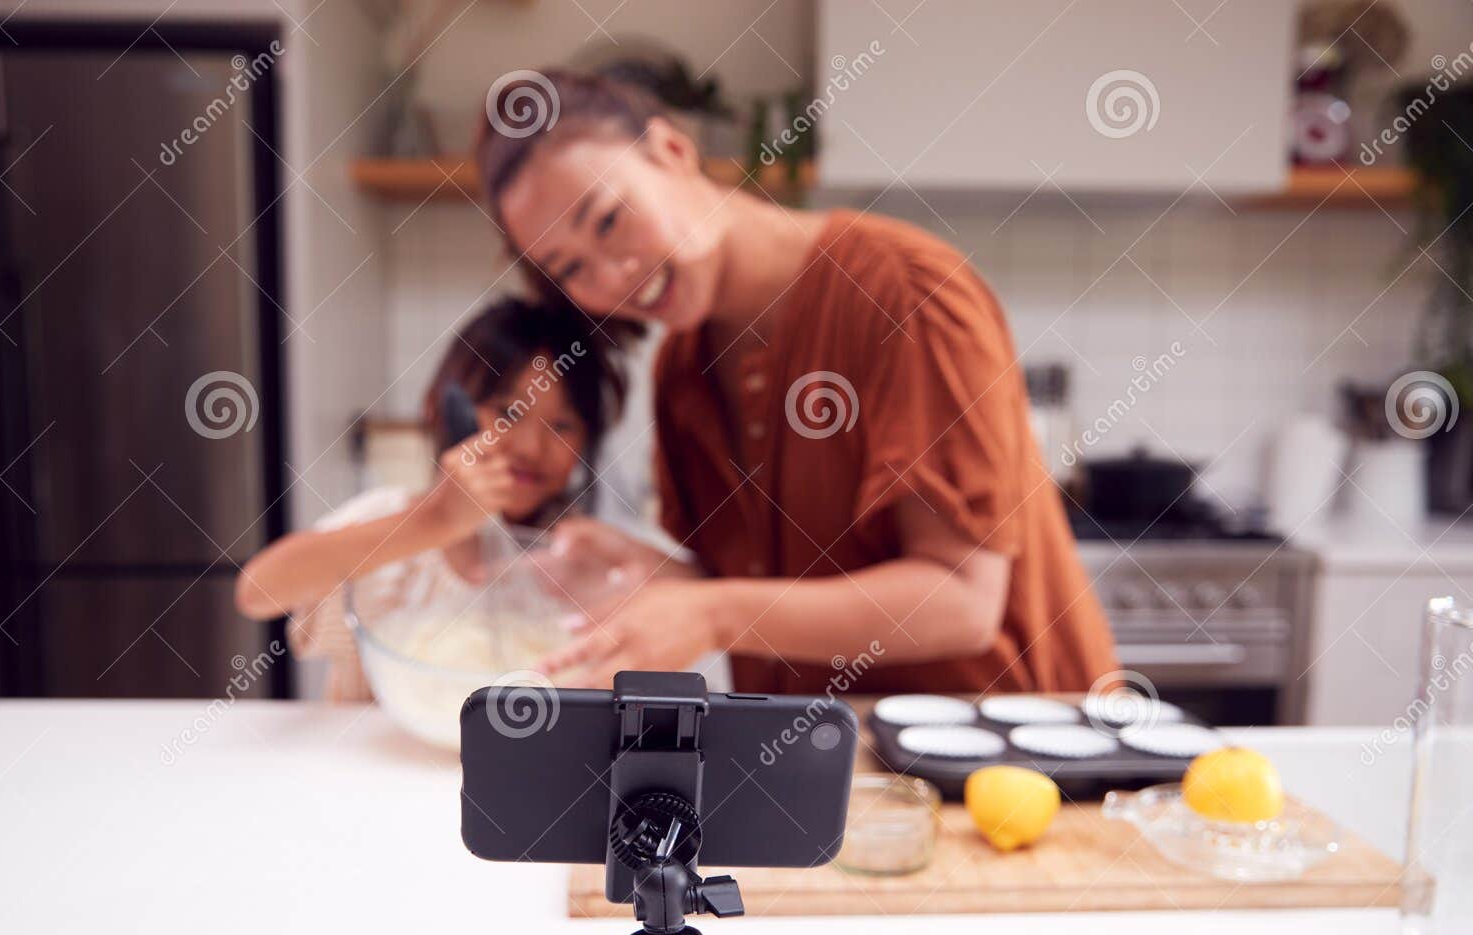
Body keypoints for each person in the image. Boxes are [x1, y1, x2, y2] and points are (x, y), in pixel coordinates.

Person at [473, 70, 1116, 694]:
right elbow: (776, 590)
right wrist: (659, 577)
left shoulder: (906, 291)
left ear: (670, 150)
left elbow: (961, 602)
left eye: (610, 220)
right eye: (570, 268)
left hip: (1013, 762)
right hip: (840, 763)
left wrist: (709, 612)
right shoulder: (682, 369)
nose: (613, 277)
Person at [235, 296, 627, 698]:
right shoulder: (390, 519)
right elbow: (258, 592)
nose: (531, 446)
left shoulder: (581, 554)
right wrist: (435, 520)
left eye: (562, 425)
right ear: (442, 408)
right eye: (507, 412)